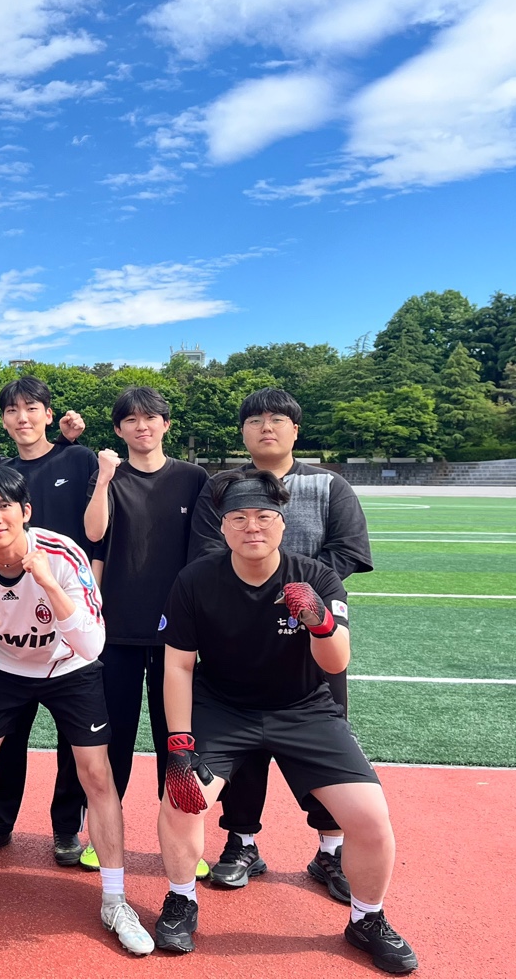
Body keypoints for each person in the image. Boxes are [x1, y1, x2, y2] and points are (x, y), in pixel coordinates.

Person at [154, 470, 416, 973]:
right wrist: (180, 743)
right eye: (238, 518)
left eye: (263, 517)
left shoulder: (316, 576)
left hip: (303, 708)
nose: (251, 527)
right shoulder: (195, 580)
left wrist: (319, 620)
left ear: (282, 523)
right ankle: (181, 899)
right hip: (223, 707)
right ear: (222, 527)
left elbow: (337, 661)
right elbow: (179, 666)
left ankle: (367, 919)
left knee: (370, 818)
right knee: (182, 800)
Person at [0, 465, 152, 955]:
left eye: (4, 506)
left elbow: (92, 645)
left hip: (70, 667)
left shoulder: (63, 555)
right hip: (2, 670)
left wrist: (47, 582)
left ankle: (115, 900)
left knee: (97, 775)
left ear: (25, 511)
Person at [187, 388, 373, 901]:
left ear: (295, 429)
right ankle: (241, 842)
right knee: (239, 743)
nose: (266, 427)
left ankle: (330, 848)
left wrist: (297, 591)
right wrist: (254, 588)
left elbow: (348, 550)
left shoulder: (329, 485)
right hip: (237, 635)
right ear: (243, 431)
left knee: (325, 744)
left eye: (276, 419)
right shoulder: (222, 486)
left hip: (313, 636)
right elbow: (205, 548)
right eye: (254, 420)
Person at [80, 385, 210, 873]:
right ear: (119, 429)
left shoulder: (193, 478)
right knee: (113, 738)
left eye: (150, 417)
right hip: (117, 628)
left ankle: (178, 842)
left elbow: (204, 551)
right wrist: (103, 478)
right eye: (131, 420)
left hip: (177, 631)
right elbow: (94, 533)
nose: (142, 426)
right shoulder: (109, 476)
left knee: (174, 739)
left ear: (165, 424)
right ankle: (102, 835)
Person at [0, 376, 102, 867]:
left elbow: (98, 528)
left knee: (75, 739)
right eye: (12, 410)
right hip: (14, 614)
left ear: (49, 414)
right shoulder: (2, 472)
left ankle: (66, 828)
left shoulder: (79, 458)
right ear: (4, 420)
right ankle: (0, 821)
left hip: (66, 608)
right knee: (7, 736)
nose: (22, 418)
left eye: (31, 408)